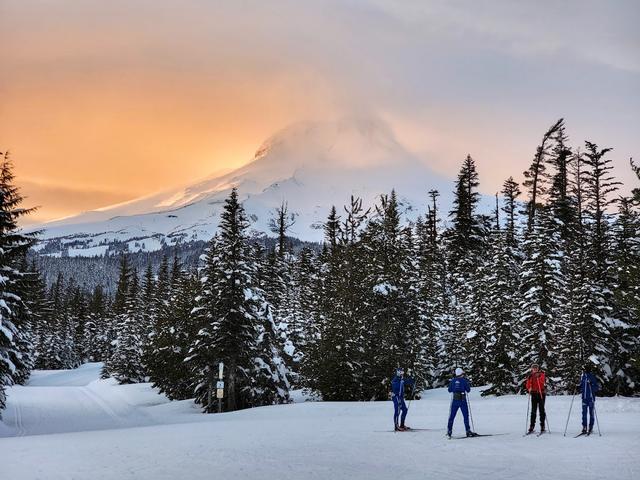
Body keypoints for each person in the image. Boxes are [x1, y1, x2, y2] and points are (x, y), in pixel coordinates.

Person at [447, 367, 477, 438]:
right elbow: (468, 390)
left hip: (455, 401)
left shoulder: (453, 381)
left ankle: (449, 431)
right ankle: (467, 430)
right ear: (461, 373)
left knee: (452, 416)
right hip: (463, 401)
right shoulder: (464, 381)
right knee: (465, 416)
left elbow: (449, 390)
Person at [525, 363, 546, 434]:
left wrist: (539, 377)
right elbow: (527, 384)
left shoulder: (541, 374)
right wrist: (529, 388)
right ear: (532, 369)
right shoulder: (530, 375)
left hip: (541, 393)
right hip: (533, 393)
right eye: (533, 368)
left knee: (541, 410)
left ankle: (542, 425)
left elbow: (543, 381)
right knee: (533, 411)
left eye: (536, 368)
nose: (535, 369)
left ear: (538, 368)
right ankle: (531, 426)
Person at [580, 364, 600, 434]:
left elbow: (596, 388)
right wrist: (578, 387)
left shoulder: (592, 377)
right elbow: (582, 386)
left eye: (585, 369)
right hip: (584, 398)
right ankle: (584, 426)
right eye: (584, 370)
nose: (584, 371)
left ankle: (591, 426)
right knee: (584, 413)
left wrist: (592, 385)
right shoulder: (583, 377)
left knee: (591, 413)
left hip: (591, 398)